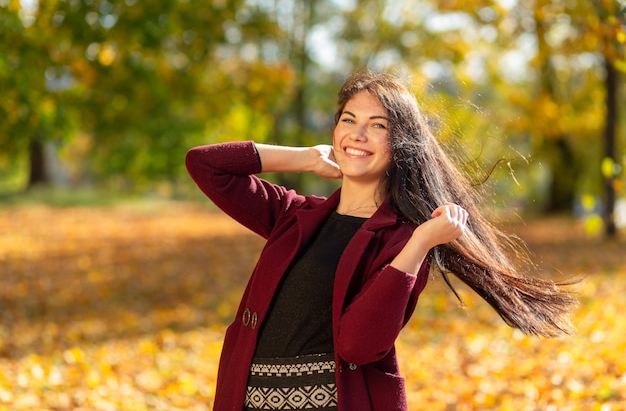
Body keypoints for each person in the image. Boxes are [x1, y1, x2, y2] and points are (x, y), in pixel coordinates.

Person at [185, 71, 577, 411]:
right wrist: (303, 158)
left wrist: (420, 243)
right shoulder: (295, 215)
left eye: (378, 125)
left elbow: (358, 345)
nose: (358, 134)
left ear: (400, 145)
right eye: (348, 119)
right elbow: (204, 165)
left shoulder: (402, 239)